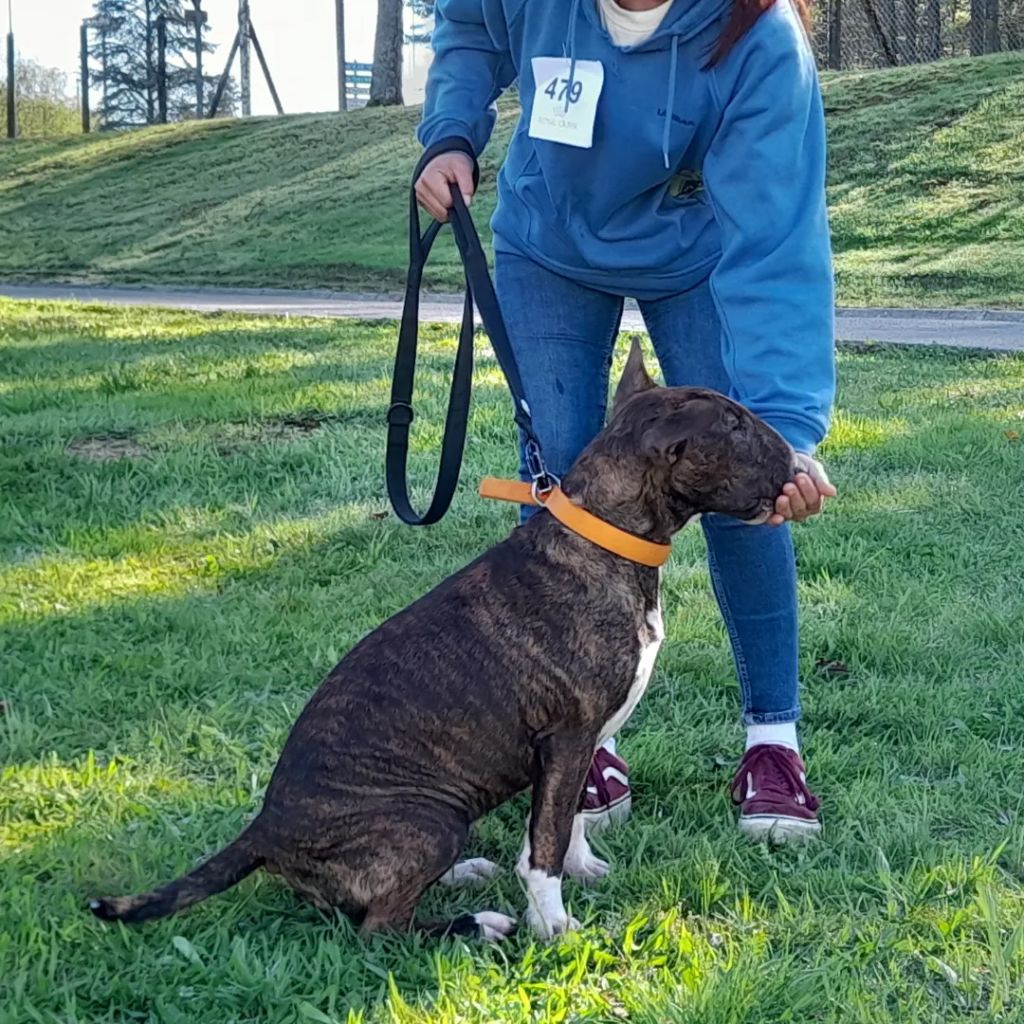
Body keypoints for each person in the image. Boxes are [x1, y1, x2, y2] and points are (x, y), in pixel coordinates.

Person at [414, 0, 837, 842]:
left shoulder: (759, 40)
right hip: (550, 243)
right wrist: (451, 130)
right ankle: (585, 736)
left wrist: (786, 427)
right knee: (566, 492)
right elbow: (470, 28)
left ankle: (772, 742)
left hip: (698, 254)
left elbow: (777, 240)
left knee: (747, 483)